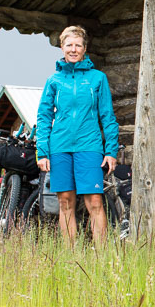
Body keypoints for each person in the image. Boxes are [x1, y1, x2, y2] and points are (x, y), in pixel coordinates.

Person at [35, 25, 119, 244]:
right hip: (60, 147)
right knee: (65, 202)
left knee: (94, 202)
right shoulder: (53, 81)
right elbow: (43, 116)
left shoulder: (97, 79)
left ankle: (102, 257)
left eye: (78, 45)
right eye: (69, 45)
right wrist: (42, 152)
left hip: (89, 146)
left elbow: (107, 116)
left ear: (84, 48)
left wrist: (110, 150)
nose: (73, 49)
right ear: (62, 47)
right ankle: (71, 258)